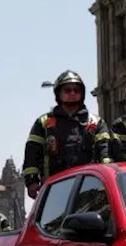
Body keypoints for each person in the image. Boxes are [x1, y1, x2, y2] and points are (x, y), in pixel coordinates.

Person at [22, 70, 112, 198]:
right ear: (59, 93)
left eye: (76, 90)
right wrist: (31, 181)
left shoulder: (96, 122)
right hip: (54, 189)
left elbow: (105, 152)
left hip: (89, 190)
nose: (72, 93)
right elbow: (32, 153)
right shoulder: (44, 122)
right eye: (68, 90)